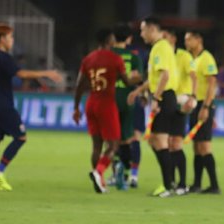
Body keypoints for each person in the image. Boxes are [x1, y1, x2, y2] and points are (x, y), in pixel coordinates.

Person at [0, 23, 63, 191]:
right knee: (20, 137)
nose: (12, 40)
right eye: (10, 37)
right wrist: (46, 73)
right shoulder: (3, 56)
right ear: (2, 39)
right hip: (2, 104)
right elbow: (21, 74)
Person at [72, 28, 138, 194]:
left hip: (91, 102)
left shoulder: (88, 59)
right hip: (107, 104)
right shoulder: (115, 59)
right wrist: (139, 79)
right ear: (110, 40)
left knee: (96, 146)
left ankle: (99, 181)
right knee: (114, 144)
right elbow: (127, 81)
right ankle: (99, 172)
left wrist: (75, 108)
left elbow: (79, 85)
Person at [126, 17, 179, 198]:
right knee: (153, 140)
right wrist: (138, 91)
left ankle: (168, 185)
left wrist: (156, 98)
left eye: (142, 30)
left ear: (151, 29)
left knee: (160, 141)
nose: (141, 34)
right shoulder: (160, 47)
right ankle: (169, 182)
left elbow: (165, 75)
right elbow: (154, 78)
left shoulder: (161, 48)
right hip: (163, 96)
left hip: (165, 97)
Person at [185, 30, 220, 194]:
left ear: (199, 40)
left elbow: (212, 84)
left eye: (189, 39)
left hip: (203, 104)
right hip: (194, 104)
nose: (186, 43)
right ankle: (197, 183)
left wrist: (206, 107)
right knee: (197, 146)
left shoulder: (207, 58)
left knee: (205, 146)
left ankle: (214, 185)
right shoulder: (193, 59)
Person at [109, 23, 144, 190]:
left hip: (109, 100)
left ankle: (117, 173)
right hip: (130, 100)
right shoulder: (134, 57)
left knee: (112, 138)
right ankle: (133, 174)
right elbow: (140, 78)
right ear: (129, 38)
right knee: (132, 138)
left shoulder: (107, 55)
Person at [164, 28, 197, 195]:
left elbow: (193, 76)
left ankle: (182, 184)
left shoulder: (183, 56)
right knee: (166, 144)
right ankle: (170, 182)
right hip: (166, 101)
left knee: (175, 143)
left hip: (180, 101)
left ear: (173, 38)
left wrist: (193, 96)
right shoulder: (163, 56)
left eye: (166, 36)